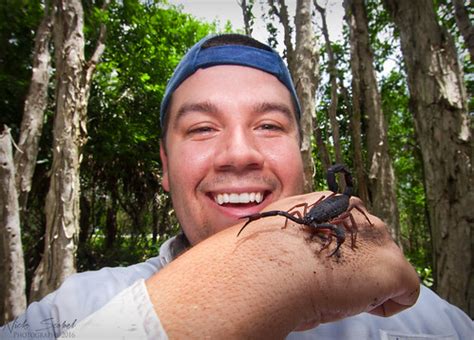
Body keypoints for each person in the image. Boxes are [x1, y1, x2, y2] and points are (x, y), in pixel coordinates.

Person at [1, 33, 472, 340]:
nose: (239, 153)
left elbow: (339, 227)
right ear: (164, 166)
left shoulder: (423, 324)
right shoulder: (71, 312)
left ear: (302, 159)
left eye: (269, 125)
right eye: (202, 128)